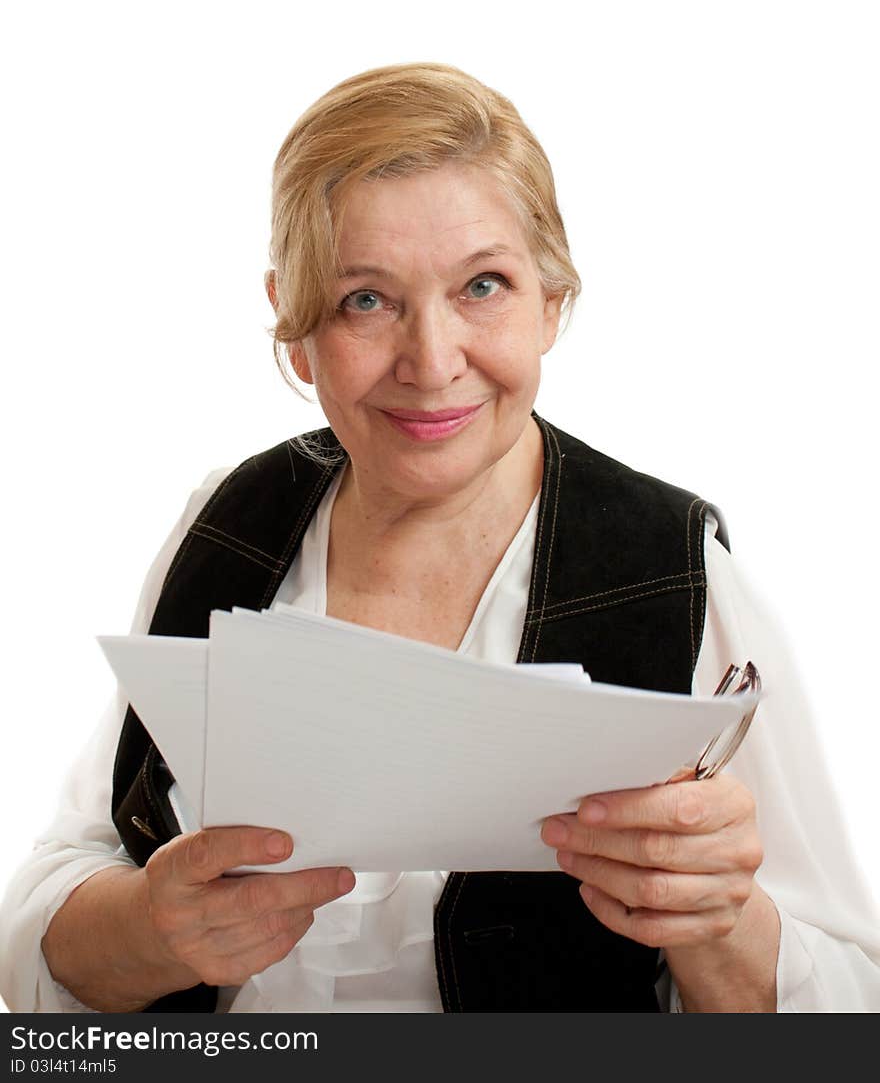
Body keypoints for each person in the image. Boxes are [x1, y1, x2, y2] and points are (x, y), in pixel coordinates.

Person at [1, 63, 878, 1014]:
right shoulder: (228, 526)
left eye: (483, 286)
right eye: (365, 301)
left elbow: (851, 1005)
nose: (431, 362)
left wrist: (721, 921)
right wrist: (149, 927)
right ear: (295, 329)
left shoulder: (674, 568)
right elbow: (57, 903)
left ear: (552, 302)